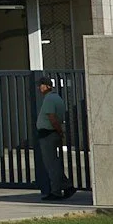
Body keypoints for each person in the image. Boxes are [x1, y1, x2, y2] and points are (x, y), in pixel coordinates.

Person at [32, 73, 71, 201]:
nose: (39, 88)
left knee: (51, 164)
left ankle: (56, 191)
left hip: (48, 134)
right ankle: (66, 185)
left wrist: (59, 131)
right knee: (54, 162)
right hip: (52, 133)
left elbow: (52, 118)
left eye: (41, 85)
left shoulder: (49, 99)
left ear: (47, 86)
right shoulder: (58, 98)